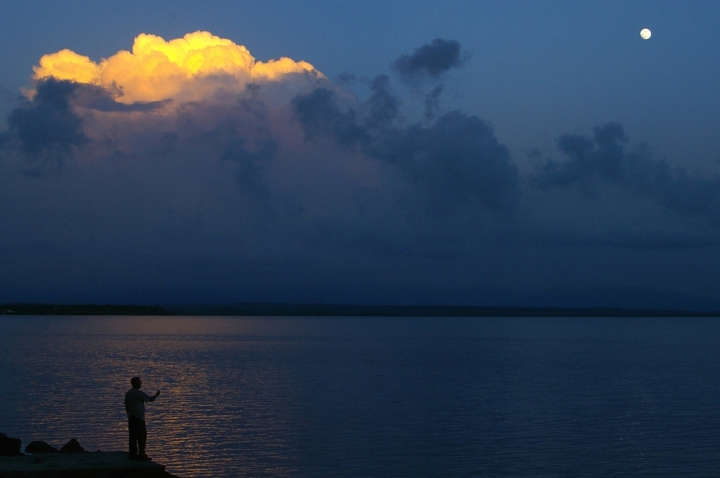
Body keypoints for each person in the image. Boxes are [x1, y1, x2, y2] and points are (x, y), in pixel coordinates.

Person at [124, 377, 160, 460]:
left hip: (131, 417)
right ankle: (141, 454)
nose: (141, 384)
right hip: (138, 418)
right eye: (139, 382)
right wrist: (157, 395)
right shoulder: (138, 393)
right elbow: (150, 399)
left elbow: (126, 405)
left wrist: (129, 414)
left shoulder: (128, 393)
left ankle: (133, 454)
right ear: (135, 383)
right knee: (141, 436)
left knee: (132, 436)